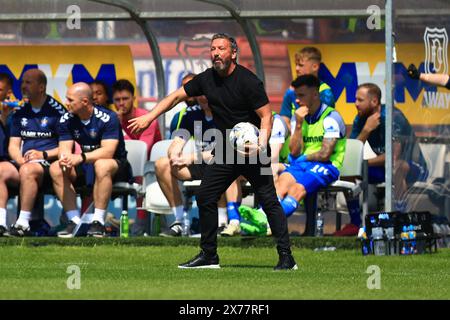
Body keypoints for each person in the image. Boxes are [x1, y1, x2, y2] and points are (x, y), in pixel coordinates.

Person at [128, 33, 297, 270]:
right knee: (205, 195)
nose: (216, 53)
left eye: (221, 49)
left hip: (253, 150)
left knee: (269, 200)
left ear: (233, 53)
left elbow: (266, 116)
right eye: (213, 49)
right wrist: (149, 116)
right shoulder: (206, 79)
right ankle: (209, 256)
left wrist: (260, 143)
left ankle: (286, 257)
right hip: (227, 150)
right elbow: (176, 96)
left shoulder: (249, 82)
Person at [334, 83, 428, 236]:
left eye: (360, 100)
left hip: (414, 167)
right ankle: (356, 224)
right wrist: (366, 130)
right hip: (383, 168)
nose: (356, 104)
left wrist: (364, 164)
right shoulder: (361, 119)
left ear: (374, 101)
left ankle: (400, 220)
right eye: (355, 99)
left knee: (397, 167)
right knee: (348, 172)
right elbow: (352, 152)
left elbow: (393, 158)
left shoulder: (393, 117)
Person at [50, 82, 132, 238]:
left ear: (85, 102)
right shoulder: (66, 119)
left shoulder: (108, 117)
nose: (66, 103)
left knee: (101, 165)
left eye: (70, 100)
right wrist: (65, 159)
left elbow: (108, 152)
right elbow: (64, 148)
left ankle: (98, 222)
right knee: (56, 168)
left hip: (115, 164)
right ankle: (74, 221)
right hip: (86, 165)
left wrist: (79, 158)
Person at [155, 73, 230, 237]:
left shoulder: (225, 112)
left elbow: (226, 150)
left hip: (224, 162)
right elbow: (178, 140)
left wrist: (191, 158)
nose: (203, 97)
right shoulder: (191, 113)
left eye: (206, 93)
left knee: (223, 163)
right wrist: (174, 153)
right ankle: (179, 221)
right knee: (162, 164)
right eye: (200, 94)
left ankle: (223, 222)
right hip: (201, 164)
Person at [275, 75, 346, 226]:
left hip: (328, 166)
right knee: (281, 184)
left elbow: (325, 154)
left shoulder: (331, 117)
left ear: (315, 94)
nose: (297, 101)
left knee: (297, 188)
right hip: (303, 164)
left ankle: (269, 222)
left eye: (301, 95)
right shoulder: (298, 117)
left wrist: (304, 158)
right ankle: (263, 219)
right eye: (296, 96)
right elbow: (294, 152)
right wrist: (299, 125)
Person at [6, 69, 66, 236]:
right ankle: (2, 223)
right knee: (2, 170)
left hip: (49, 163)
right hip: (24, 162)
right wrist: (19, 159)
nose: (23, 86)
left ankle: (22, 223)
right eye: (22, 82)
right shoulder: (20, 112)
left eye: (28, 82)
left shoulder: (57, 111)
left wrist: (42, 155)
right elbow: (13, 145)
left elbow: (66, 147)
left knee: (28, 170)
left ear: (41, 87)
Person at [112, 79, 162, 235]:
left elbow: (142, 151)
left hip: (150, 166)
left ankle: (141, 224)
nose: (121, 104)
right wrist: (115, 124)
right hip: (124, 165)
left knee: (141, 173)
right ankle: (95, 221)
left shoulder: (146, 119)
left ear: (133, 99)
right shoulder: (111, 119)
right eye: (117, 100)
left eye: (125, 99)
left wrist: (119, 127)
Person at [279, 47, 335, 135]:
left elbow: (324, 123)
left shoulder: (325, 92)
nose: (297, 68)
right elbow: (285, 119)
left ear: (315, 67)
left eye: (301, 65)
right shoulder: (290, 91)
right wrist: (295, 137)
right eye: (296, 65)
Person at [0, 73, 17, 236]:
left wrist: (5, 117)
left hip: (12, 164)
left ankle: (0, 224)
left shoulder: (17, 113)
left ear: (8, 92)